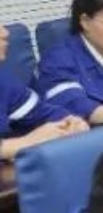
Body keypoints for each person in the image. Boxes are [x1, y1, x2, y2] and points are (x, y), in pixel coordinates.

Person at [3, 22, 87, 161]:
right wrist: (25, 142)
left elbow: (39, 112)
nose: (5, 33)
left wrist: (70, 122)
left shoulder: (4, 80)